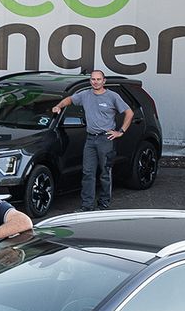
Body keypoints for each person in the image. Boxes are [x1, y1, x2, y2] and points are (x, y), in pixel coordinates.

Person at [49, 69, 133, 212]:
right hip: (90, 139)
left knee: (105, 173)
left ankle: (104, 203)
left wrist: (121, 132)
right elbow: (69, 99)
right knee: (88, 173)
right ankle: (87, 206)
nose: (95, 82)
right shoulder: (85, 95)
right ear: (90, 81)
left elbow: (129, 112)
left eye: (98, 79)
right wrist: (59, 106)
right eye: (93, 79)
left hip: (106, 139)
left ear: (104, 81)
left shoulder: (112, 96)